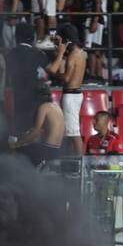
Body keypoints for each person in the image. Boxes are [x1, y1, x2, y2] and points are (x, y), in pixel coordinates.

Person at [45, 24, 87, 156]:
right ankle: (73, 162)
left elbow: (67, 78)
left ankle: (80, 163)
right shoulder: (81, 53)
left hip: (71, 95)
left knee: (74, 132)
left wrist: (53, 73)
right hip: (76, 93)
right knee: (70, 130)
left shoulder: (72, 55)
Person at [5, 23, 49, 135]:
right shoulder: (39, 54)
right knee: (35, 128)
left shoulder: (10, 54)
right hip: (36, 97)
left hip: (18, 96)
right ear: (32, 37)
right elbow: (45, 76)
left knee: (21, 129)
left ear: (17, 36)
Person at [10, 84, 65, 165]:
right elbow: (43, 130)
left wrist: (16, 144)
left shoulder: (44, 107)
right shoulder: (56, 106)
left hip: (47, 150)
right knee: (30, 148)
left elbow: (36, 132)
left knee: (15, 152)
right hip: (56, 151)